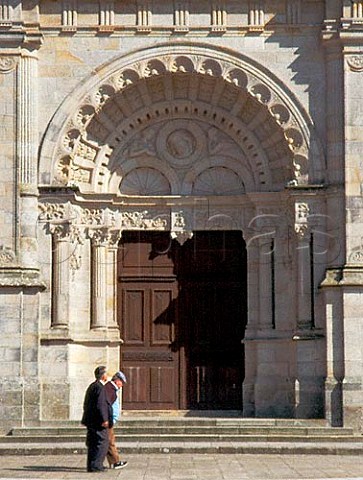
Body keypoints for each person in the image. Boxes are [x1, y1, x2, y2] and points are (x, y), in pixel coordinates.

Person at [81, 365, 110, 473]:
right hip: (98, 422)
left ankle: (91, 465)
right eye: (106, 374)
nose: (107, 376)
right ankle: (97, 465)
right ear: (103, 376)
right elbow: (101, 405)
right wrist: (104, 419)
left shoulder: (92, 386)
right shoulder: (100, 387)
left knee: (92, 443)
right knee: (102, 442)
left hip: (91, 420)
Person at [104, 371, 128, 470]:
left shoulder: (111, 388)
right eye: (122, 382)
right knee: (110, 441)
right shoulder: (110, 389)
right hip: (107, 421)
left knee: (108, 441)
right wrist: (107, 419)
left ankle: (113, 462)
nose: (122, 385)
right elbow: (105, 405)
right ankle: (115, 462)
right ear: (117, 380)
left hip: (109, 420)